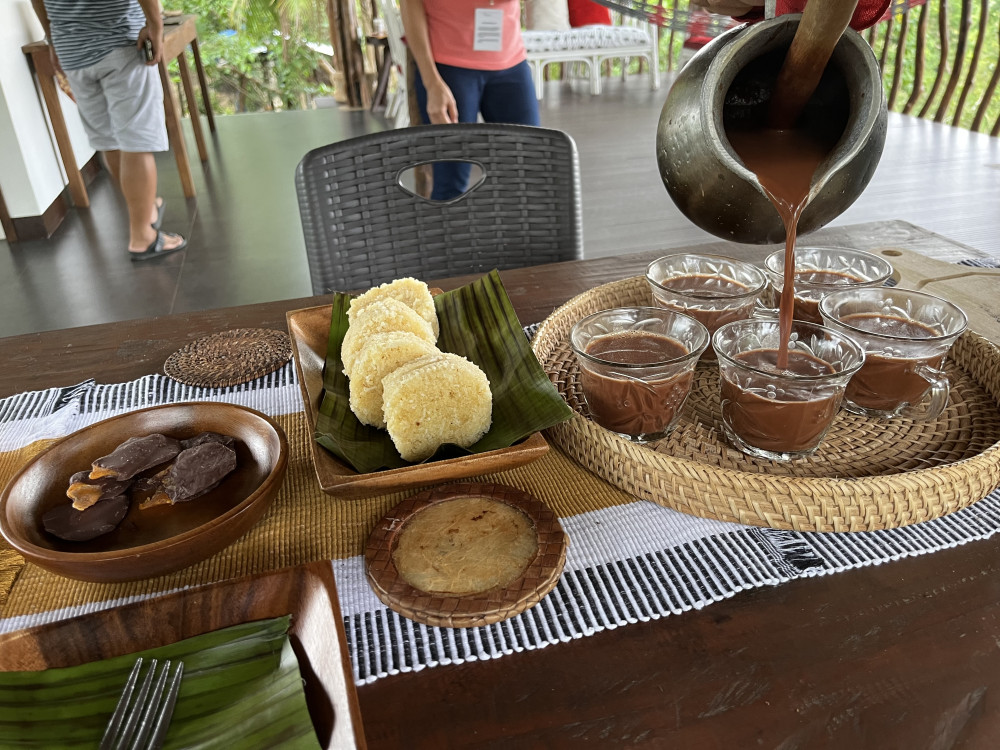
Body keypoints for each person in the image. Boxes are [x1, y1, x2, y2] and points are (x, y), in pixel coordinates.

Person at [31, 0, 187, 260]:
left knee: (110, 139)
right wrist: (154, 24)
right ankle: (143, 238)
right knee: (135, 140)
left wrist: (53, 39)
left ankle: (146, 210)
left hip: (71, 50)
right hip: (120, 42)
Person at [399, 0, 540, 201]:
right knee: (451, 186)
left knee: (526, 175)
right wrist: (431, 81)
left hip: (511, 63)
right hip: (448, 69)